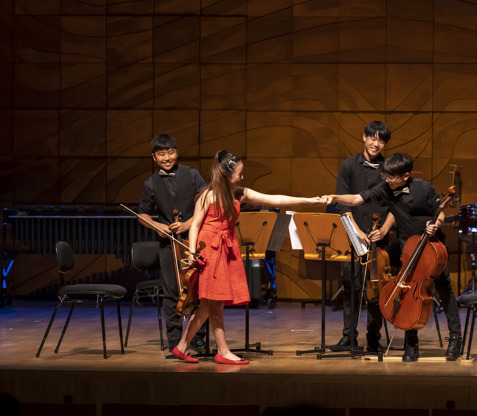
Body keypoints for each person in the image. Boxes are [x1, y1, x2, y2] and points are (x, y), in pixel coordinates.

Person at [172, 150, 323, 364]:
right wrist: (193, 253)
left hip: (226, 248)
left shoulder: (238, 193)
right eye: (239, 174)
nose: (242, 177)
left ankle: (182, 346)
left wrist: (307, 201)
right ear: (226, 175)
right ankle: (222, 352)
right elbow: (195, 225)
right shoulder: (208, 195)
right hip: (210, 249)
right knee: (214, 303)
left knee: (209, 304)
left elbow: (273, 198)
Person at [323, 153, 463, 362]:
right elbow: (356, 198)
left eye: (391, 177)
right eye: (385, 175)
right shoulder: (385, 188)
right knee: (407, 290)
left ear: (405, 175)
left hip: (433, 245)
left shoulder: (424, 187)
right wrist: (334, 197)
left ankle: (455, 338)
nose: (386, 180)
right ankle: (411, 345)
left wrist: (437, 224)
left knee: (444, 288)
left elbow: (440, 212)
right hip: (408, 244)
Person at [138, 134, 208, 355]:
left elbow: (207, 202)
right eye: (161, 153)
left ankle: (198, 339)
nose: (167, 157)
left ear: (177, 152)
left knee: (198, 291)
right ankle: (175, 341)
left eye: (170, 152)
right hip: (168, 245)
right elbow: (143, 214)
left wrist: (189, 223)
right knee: (171, 294)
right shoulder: (150, 184)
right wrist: (158, 226)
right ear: (153, 157)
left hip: (195, 242)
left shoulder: (193, 174)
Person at [329, 121, 395, 353]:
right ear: (364, 137)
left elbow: (396, 206)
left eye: (381, 140)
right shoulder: (348, 165)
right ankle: (349, 337)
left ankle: (374, 338)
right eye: (373, 138)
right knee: (351, 287)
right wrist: (357, 231)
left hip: (380, 239)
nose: (377, 144)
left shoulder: (389, 167)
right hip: (353, 238)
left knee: (376, 290)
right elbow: (343, 205)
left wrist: (384, 230)